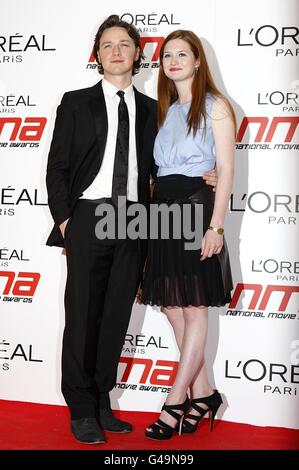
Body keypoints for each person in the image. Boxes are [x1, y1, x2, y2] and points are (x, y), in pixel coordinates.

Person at [46, 15, 218, 444]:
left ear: (138, 54)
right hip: (89, 216)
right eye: (107, 45)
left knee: (116, 315)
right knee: (82, 315)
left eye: (125, 44)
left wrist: (209, 174)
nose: (117, 51)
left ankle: (103, 400)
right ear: (97, 56)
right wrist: (67, 220)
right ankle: (81, 406)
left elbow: (174, 159)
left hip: (136, 220)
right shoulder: (74, 102)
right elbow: (58, 168)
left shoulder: (152, 109)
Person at [141, 29, 235, 440]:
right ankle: (206, 393)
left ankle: (175, 399)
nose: (174, 61)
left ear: (198, 61)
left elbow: (227, 171)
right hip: (162, 211)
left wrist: (216, 225)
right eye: (167, 55)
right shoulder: (164, 111)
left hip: (196, 210)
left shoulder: (215, 107)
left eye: (183, 54)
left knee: (194, 307)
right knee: (173, 308)